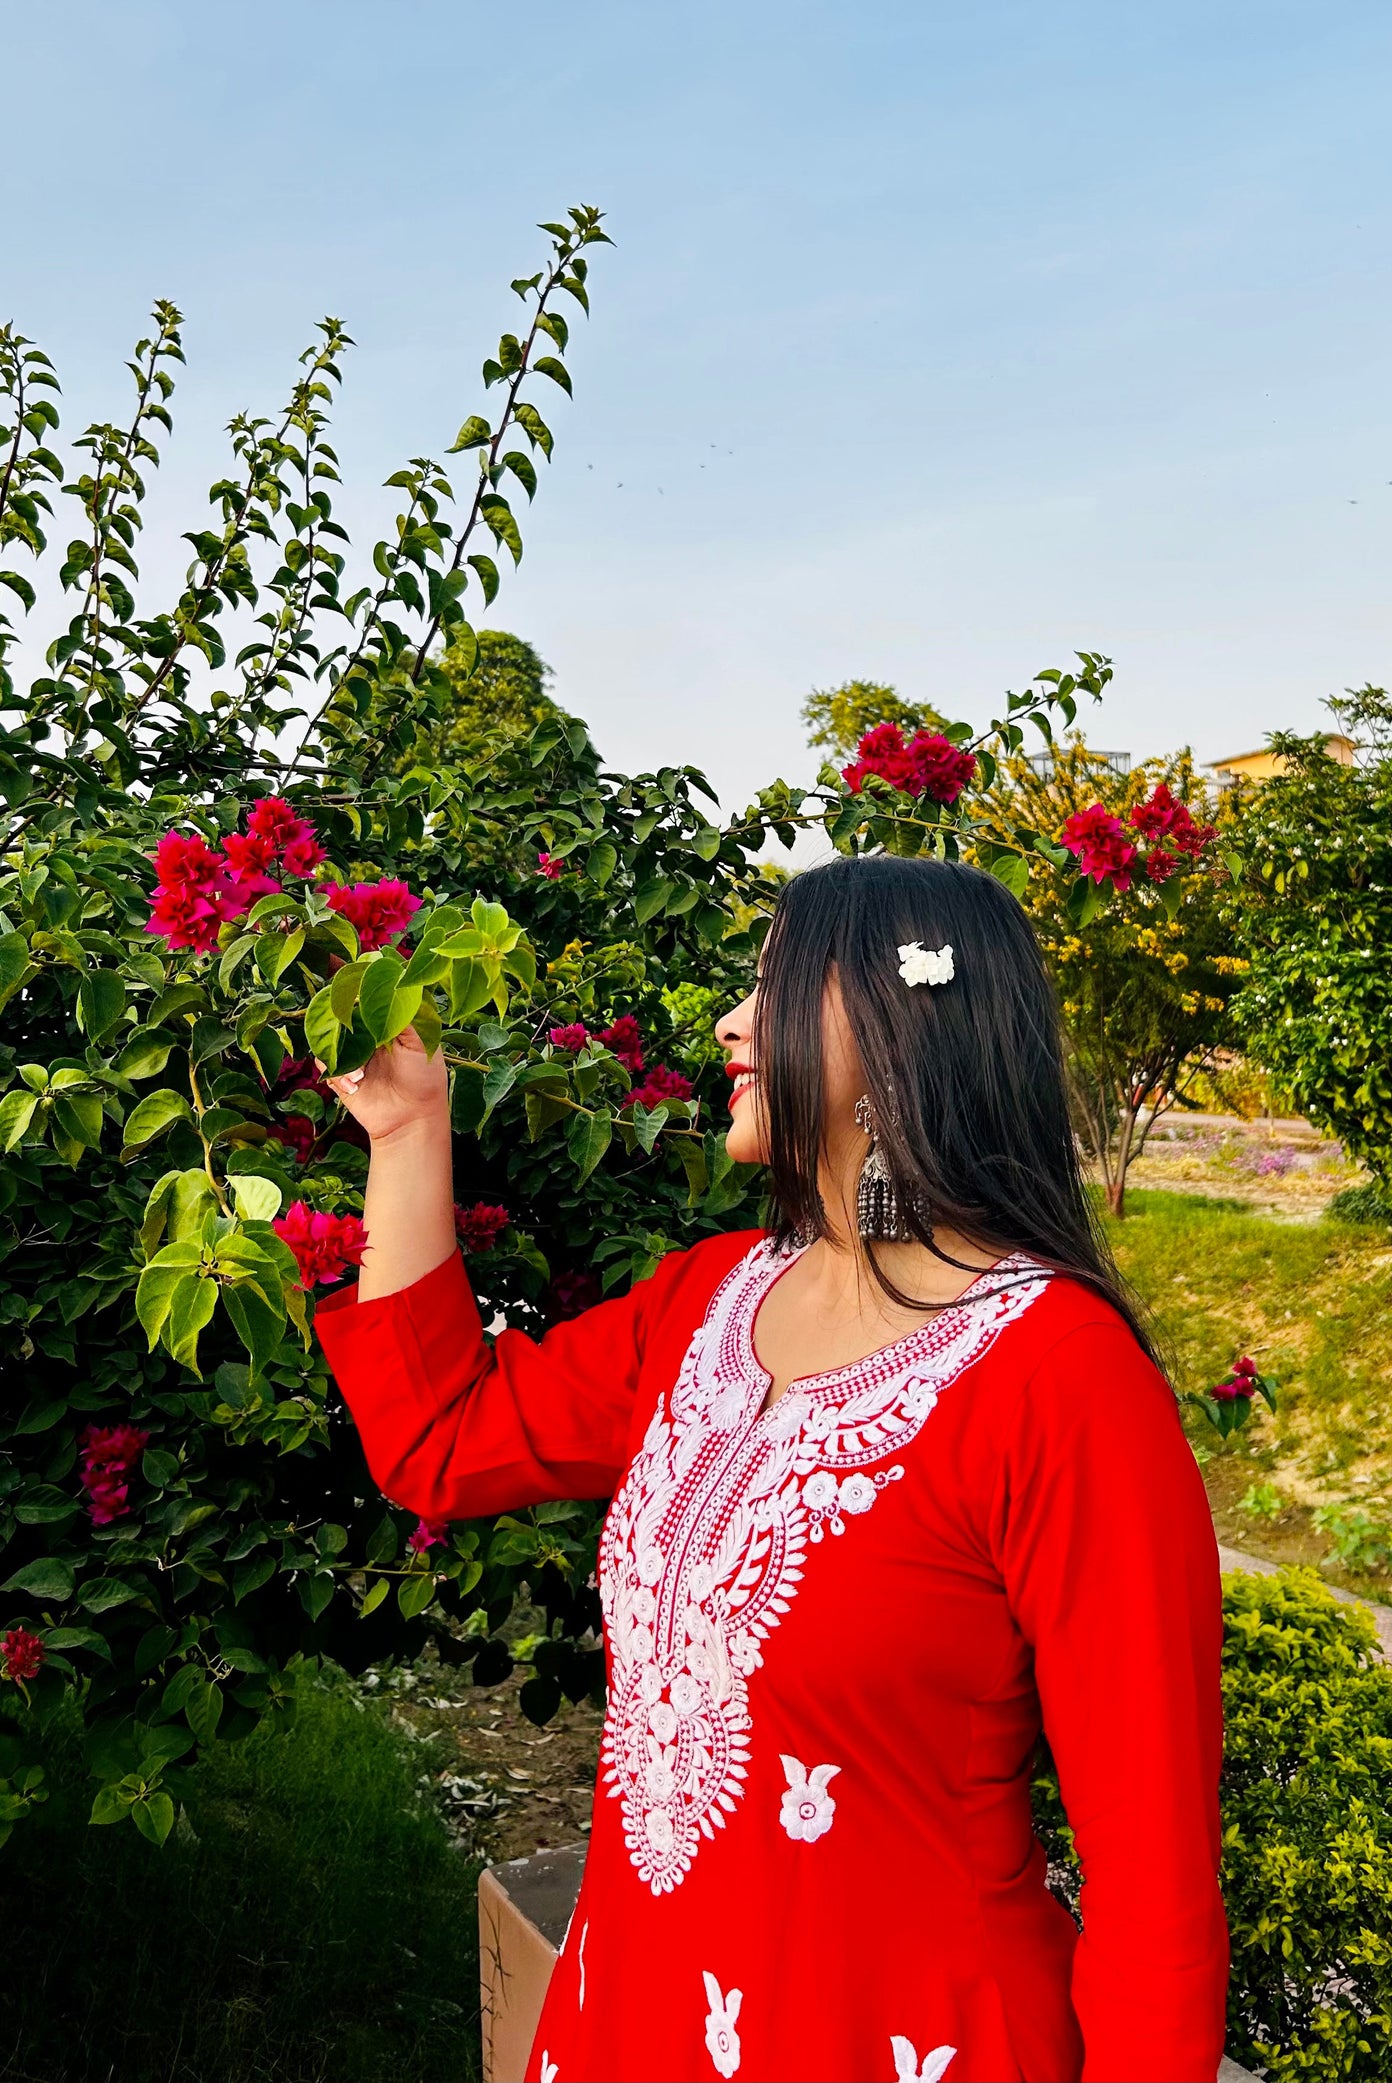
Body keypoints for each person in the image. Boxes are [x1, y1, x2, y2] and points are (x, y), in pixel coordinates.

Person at [315, 855, 1228, 2083]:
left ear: (902, 1031)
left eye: (774, 982)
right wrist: (409, 1128)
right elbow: (441, 1438)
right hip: (628, 2016)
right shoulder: (709, 1300)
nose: (733, 1024)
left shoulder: (1059, 1376)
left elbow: (1152, 1881)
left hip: (903, 2039)